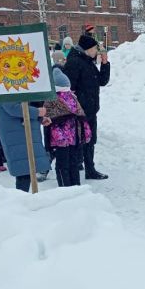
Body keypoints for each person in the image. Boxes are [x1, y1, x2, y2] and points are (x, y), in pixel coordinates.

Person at [63, 34, 110, 179]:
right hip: (80, 111)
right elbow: (69, 88)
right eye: (95, 48)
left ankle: (89, 168)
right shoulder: (74, 62)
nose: (97, 51)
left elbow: (102, 81)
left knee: (90, 140)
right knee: (81, 140)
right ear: (87, 49)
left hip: (90, 109)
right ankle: (79, 167)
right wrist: (78, 106)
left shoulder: (88, 61)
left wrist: (105, 64)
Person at [44, 67, 91, 187]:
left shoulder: (51, 100)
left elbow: (52, 122)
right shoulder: (72, 97)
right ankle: (75, 186)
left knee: (62, 165)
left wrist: (60, 139)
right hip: (74, 139)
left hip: (62, 141)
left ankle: (66, 187)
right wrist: (86, 134)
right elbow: (82, 118)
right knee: (72, 164)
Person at [0, 102, 51, 192]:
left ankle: (25, 199)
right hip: (16, 134)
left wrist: (39, 118)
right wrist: (37, 112)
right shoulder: (4, 89)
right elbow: (12, 108)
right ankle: (22, 201)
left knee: (27, 169)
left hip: (21, 132)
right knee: (23, 170)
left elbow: (22, 108)